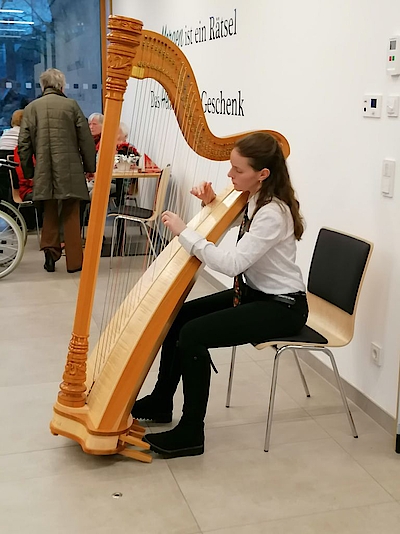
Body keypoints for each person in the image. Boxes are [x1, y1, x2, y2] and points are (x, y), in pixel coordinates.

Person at [131, 132, 308, 458]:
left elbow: (232, 263)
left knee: (193, 334)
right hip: (253, 294)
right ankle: (160, 400)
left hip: (282, 306)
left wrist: (185, 232)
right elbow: (232, 226)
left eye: (237, 170)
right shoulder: (254, 197)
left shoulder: (273, 212)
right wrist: (212, 203)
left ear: (262, 174)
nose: (230, 175)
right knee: (179, 316)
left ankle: (190, 432)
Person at [18, 68, 96, 273]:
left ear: (43, 86)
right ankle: (74, 263)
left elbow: (23, 144)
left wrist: (28, 172)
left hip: (44, 169)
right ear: (62, 85)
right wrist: (90, 167)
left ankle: (50, 256)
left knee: (49, 211)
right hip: (70, 169)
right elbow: (85, 139)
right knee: (71, 212)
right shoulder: (71, 106)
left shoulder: (31, 108)